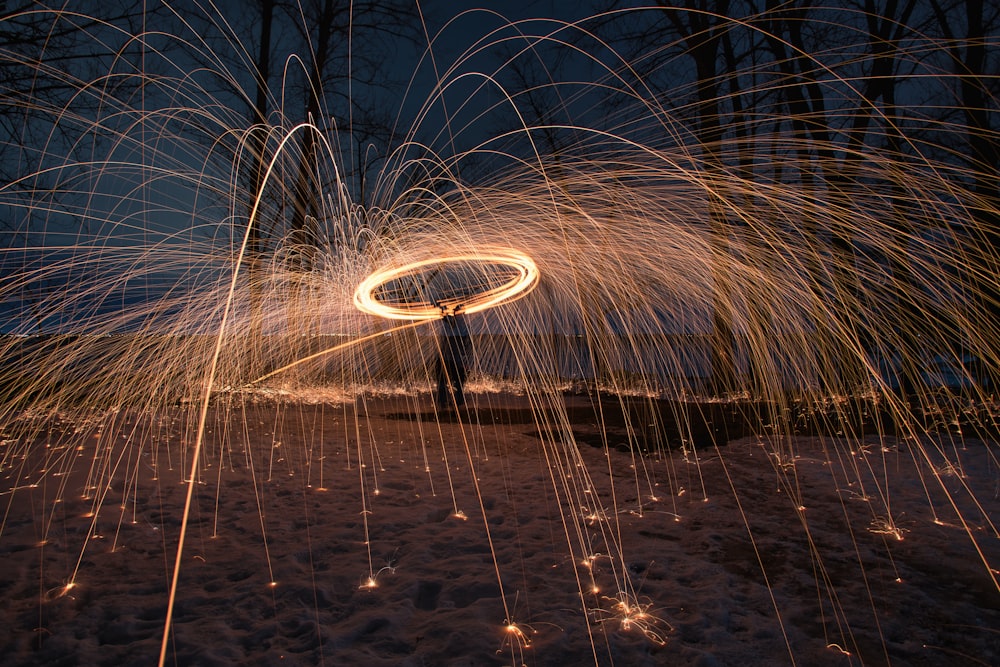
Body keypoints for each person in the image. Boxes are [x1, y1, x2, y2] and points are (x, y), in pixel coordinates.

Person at [435, 303, 470, 410]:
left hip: (449, 359)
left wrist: (439, 307)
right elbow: (467, 346)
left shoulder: (456, 325)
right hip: (454, 360)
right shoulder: (463, 326)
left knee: (445, 381)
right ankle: (453, 402)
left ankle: (445, 402)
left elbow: (446, 319)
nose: (455, 312)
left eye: (457, 311)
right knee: (456, 382)